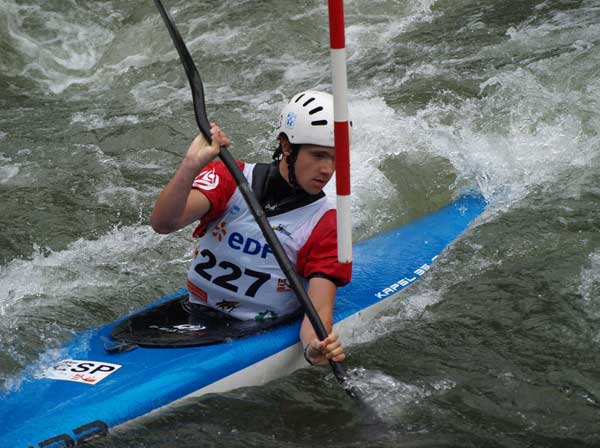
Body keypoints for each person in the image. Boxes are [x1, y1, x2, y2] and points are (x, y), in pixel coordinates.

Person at [150, 90, 351, 366]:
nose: (328, 169)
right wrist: (190, 165)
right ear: (287, 146)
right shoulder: (229, 179)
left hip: (253, 330)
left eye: (335, 157)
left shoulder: (328, 224)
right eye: (318, 155)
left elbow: (319, 312)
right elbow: (163, 223)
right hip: (194, 313)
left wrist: (314, 348)